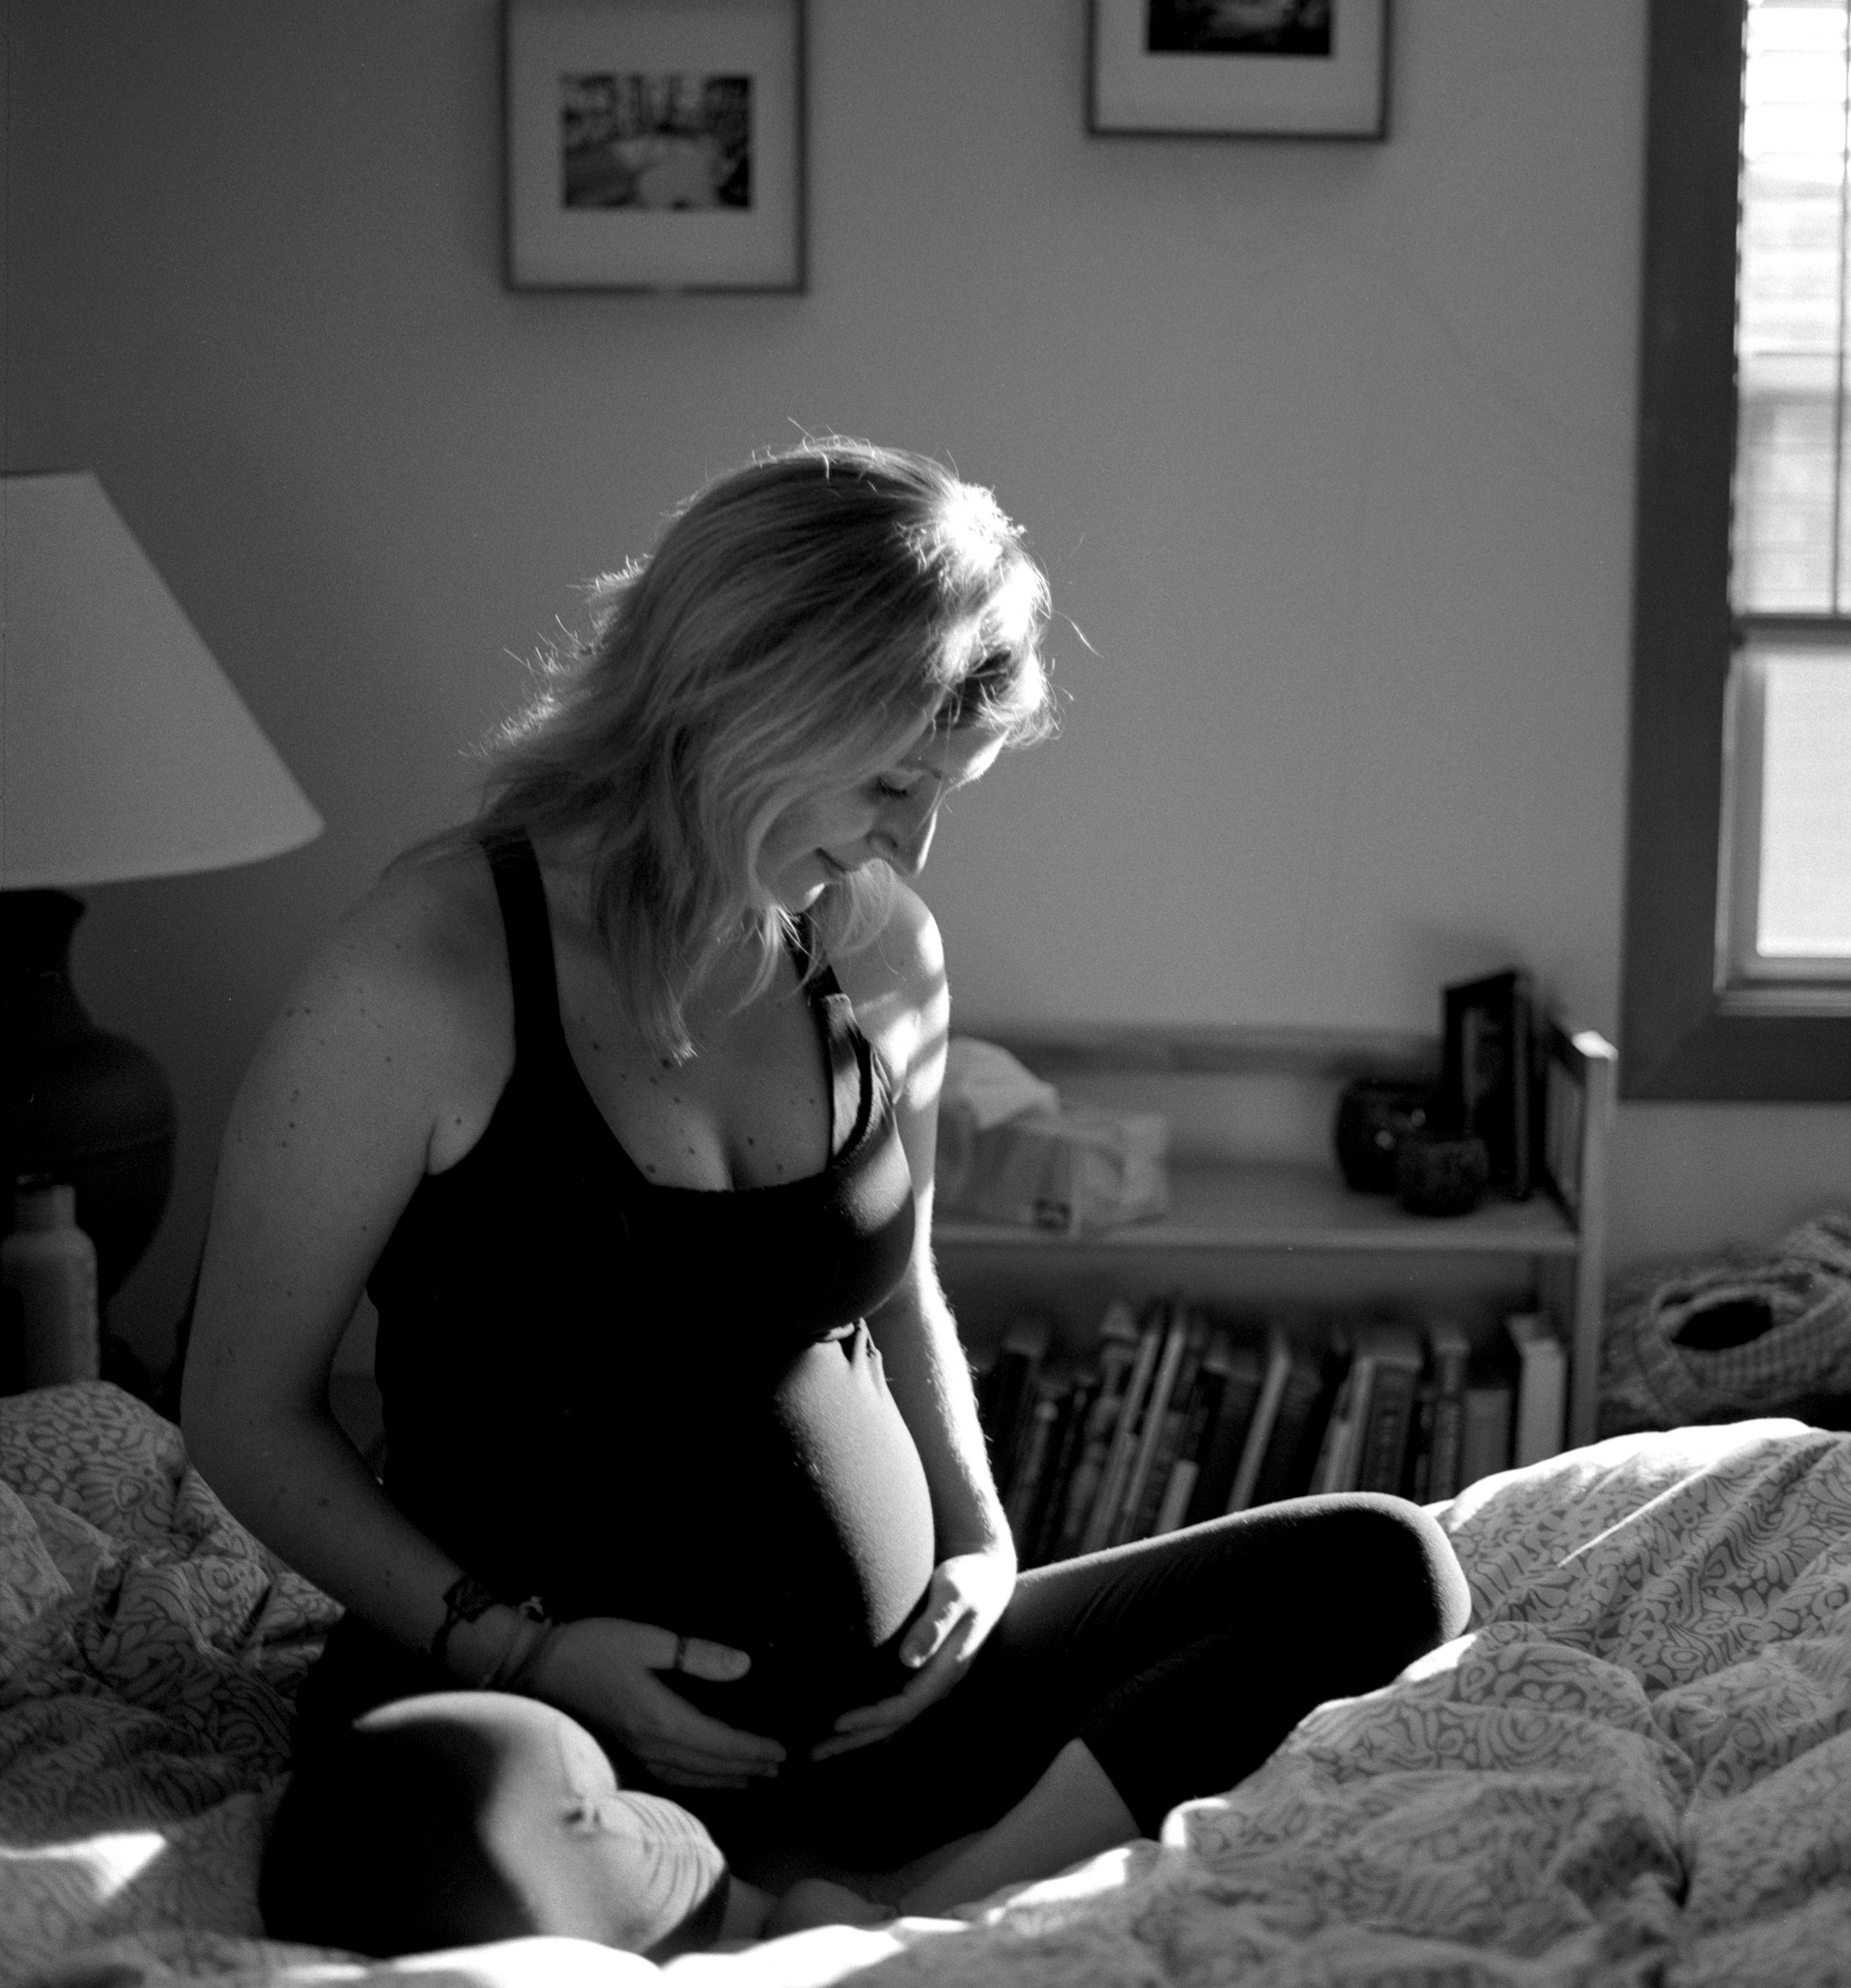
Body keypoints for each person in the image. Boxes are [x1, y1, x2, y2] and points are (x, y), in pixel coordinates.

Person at [182, 437, 1470, 1958]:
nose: (909, 845)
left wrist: (980, 1544)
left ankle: (917, 1906)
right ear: (747, 705)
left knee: (1381, 1563)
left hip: (887, 1715)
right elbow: (245, 1411)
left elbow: (898, 1288)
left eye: (943, 793)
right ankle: (719, 1891)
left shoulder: (873, 945)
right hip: (569, 1715)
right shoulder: (422, 974)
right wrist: (525, 1650)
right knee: (410, 1814)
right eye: (890, 783)